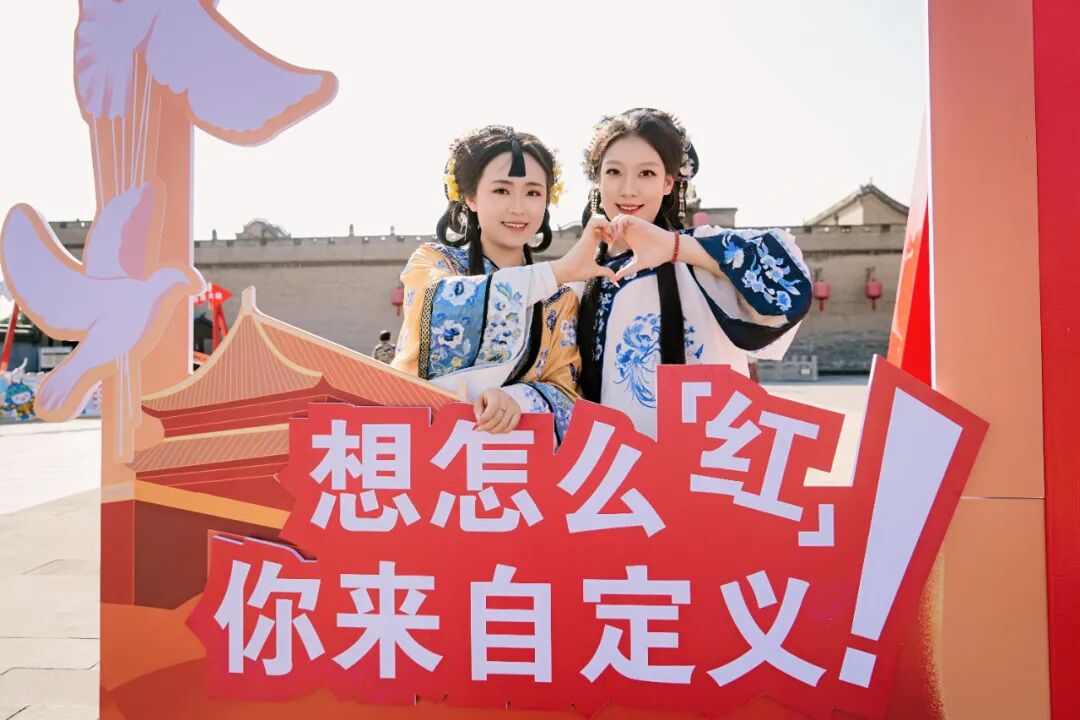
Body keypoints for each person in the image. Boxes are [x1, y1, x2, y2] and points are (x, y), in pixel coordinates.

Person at [575, 108, 812, 437]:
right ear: (597, 180)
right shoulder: (581, 278)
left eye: (646, 173)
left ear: (668, 183)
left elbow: (788, 290)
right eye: (614, 172)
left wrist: (676, 248)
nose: (628, 189)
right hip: (614, 459)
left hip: (707, 457)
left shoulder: (700, 251)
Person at [391, 126, 611, 440]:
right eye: (501, 191)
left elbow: (566, 392)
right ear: (470, 197)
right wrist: (554, 273)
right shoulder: (434, 263)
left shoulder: (559, 299)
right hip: (429, 448)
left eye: (533, 193)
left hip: (514, 460)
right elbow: (438, 308)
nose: (518, 207)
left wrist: (518, 400)